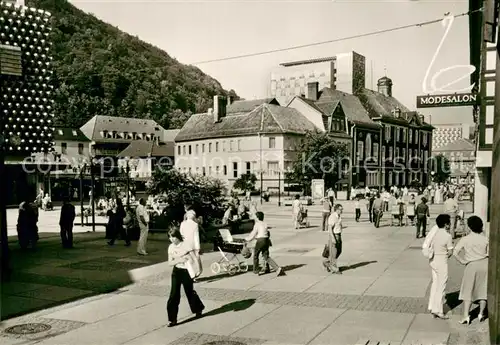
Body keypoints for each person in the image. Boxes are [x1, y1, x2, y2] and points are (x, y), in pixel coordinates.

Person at [453, 216, 488, 325]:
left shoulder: (465, 239)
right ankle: (481, 313)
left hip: (471, 265)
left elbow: (455, 252)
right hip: (484, 264)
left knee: (468, 291)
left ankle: (466, 316)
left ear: (469, 226)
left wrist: (462, 261)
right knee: (483, 289)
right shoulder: (485, 239)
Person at [166, 228, 205, 327]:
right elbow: (170, 262)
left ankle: (198, 309)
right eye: (170, 237)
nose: (172, 239)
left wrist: (199, 269)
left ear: (178, 236)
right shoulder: (171, 247)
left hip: (186, 271)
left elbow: (194, 258)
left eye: (173, 237)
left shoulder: (186, 245)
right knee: (174, 294)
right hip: (176, 271)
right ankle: (172, 319)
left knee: (189, 292)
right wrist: (180, 260)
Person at [423, 214, 453, 319]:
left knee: (435, 284)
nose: (450, 224)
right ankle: (438, 310)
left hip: (433, 260)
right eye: (449, 222)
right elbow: (450, 251)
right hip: (442, 261)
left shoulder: (435, 232)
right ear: (446, 224)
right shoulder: (448, 236)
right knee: (441, 285)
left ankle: (432, 306)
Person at [246, 211, 284, 276]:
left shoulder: (257, 224)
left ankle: (256, 270)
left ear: (257, 217)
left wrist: (247, 239)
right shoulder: (265, 223)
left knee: (256, 255)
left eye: (255, 216)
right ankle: (277, 268)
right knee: (266, 256)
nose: (254, 217)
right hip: (266, 240)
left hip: (260, 240)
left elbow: (253, 233)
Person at [180, 210, 202, 278]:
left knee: (187, 260)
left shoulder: (183, 223)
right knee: (195, 259)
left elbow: (181, 234)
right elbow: (196, 237)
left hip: (185, 243)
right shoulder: (195, 225)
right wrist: (198, 247)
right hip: (193, 244)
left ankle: (190, 275)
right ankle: (198, 271)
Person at [323, 204, 344, 274]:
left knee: (339, 251)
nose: (342, 211)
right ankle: (335, 269)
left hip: (338, 235)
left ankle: (327, 262)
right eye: (341, 209)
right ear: (337, 209)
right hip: (334, 235)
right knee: (333, 253)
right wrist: (332, 238)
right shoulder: (332, 217)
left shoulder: (338, 216)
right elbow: (329, 228)